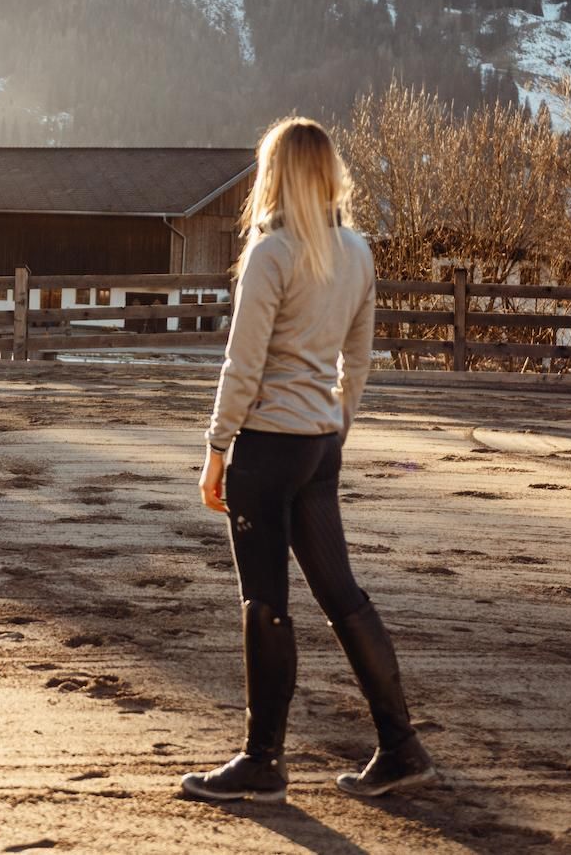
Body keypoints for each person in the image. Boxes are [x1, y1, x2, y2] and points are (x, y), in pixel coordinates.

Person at [180, 116, 436, 804]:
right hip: (320, 445)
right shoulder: (357, 252)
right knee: (342, 594)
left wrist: (216, 448)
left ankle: (262, 760)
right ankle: (401, 743)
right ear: (328, 175)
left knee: (265, 601)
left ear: (276, 175)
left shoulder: (271, 253)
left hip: (266, 449)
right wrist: (334, 430)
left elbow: (244, 363)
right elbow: (357, 362)